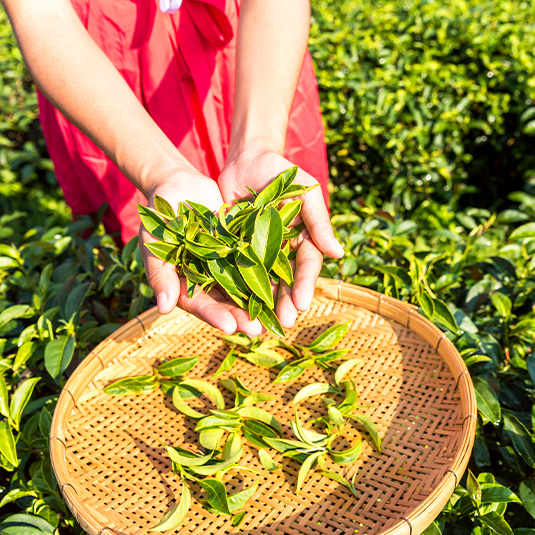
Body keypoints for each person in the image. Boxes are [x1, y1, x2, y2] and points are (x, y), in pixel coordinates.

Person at [2, 0, 344, 336]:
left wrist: (259, 144)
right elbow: (40, 10)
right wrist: (161, 172)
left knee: (277, 252)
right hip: (100, 74)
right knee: (140, 242)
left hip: (253, 59)